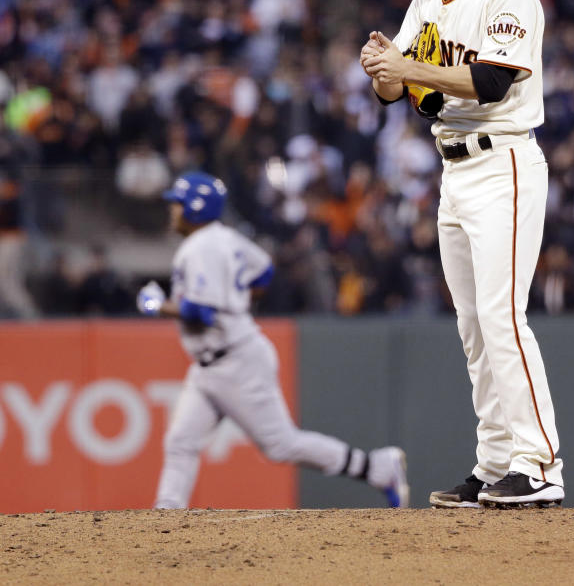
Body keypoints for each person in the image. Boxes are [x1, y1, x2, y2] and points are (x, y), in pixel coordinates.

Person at [361, 0, 565, 508]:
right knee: (475, 327)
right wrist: (383, 73)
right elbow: (411, 96)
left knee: (504, 318)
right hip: (454, 168)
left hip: (502, 160)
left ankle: (540, 463)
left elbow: (493, 81)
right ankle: (496, 461)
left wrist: (405, 67)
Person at [137, 171, 409, 509]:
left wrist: (156, 305)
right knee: (180, 441)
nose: (172, 210)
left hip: (235, 360)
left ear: (195, 208)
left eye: (177, 204)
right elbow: (263, 271)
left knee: (281, 445)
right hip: (214, 361)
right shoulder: (226, 237)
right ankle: (166, 515)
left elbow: (202, 312)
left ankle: (377, 468)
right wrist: (237, 302)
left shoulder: (199, 247)